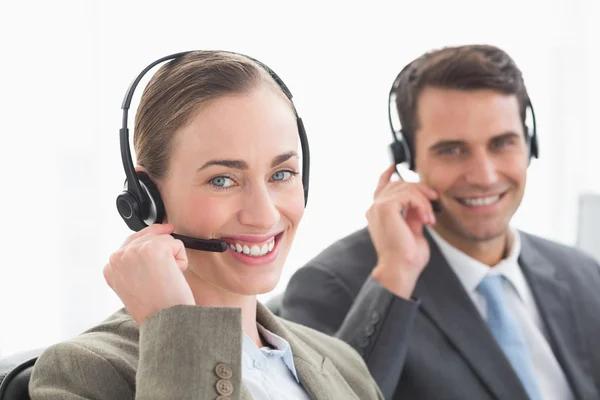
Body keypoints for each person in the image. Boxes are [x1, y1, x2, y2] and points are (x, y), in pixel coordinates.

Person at [28, 51, 384, 400]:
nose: (264, 215)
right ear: (148, 196)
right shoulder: (83, 373)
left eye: (282, 174)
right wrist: (177, 328)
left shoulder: (341, 364)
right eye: (222, 180)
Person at [281, 45, 600, 400]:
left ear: (530, 145)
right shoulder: (335, 287)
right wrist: (395, 275)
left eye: (502, 143)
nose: (483, 175)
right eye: (452, 150)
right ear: (408, 159)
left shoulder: (583, 276)